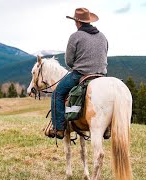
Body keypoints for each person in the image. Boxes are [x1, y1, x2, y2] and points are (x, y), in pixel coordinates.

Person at [48, 8, 108, 139]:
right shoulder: (102, 36)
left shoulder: (75, 36)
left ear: (77, 22)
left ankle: (58, 128)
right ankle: (107, 127)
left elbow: (69, 61)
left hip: (80, 74)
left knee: (57, 94)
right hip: (101, 76)